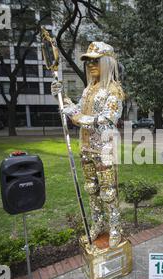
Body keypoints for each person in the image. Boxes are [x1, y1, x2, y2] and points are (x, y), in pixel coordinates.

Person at [51, 42, 125, 248]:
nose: (91, 64)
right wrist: (62, 97)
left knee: (108, 191)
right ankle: (98, 223)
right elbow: (78, 110)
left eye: (96, 60)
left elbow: (107, 118)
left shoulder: (114, 89)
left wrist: (76, 117)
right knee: (91, 188)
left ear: (107, 62)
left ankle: (115, 227)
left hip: (105, 149)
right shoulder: (88, 90)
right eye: (89, 61)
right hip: (85, 147)